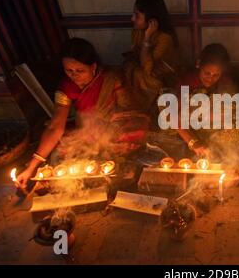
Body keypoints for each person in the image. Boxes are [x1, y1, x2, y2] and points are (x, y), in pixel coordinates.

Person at [15, 38, 149, 189]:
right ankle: (97, 161)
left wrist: (110, 128)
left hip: (115, 128)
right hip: (86, 131)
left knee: (135, 131)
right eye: (69, 71)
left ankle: (107, 160)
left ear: (93, 67)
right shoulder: (66, 87)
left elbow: (129, 109)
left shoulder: (111, 78)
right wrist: (31, 166)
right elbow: (55, 127)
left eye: (80, 71)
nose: (74, 76)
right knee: (59, 146)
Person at [175, 43, 239, 160]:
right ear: (199, 64)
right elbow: (177, 118)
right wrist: (193, 143)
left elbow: (231, 113)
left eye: (216, 75)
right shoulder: (187, 82)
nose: (210, 78)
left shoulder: (225, 82)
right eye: (207, 73)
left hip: (215, 128)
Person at [123, 0, 183, 113]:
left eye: (137, 15)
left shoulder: (164, 38)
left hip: (163, 75)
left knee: (140, 75)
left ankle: (144, 109)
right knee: (128, 69)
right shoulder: (137, 31)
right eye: (133, 14)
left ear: (151, 21)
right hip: (145, 69)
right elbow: (136, 56)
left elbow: (147, 67)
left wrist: (147, 38)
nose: (132, 19)